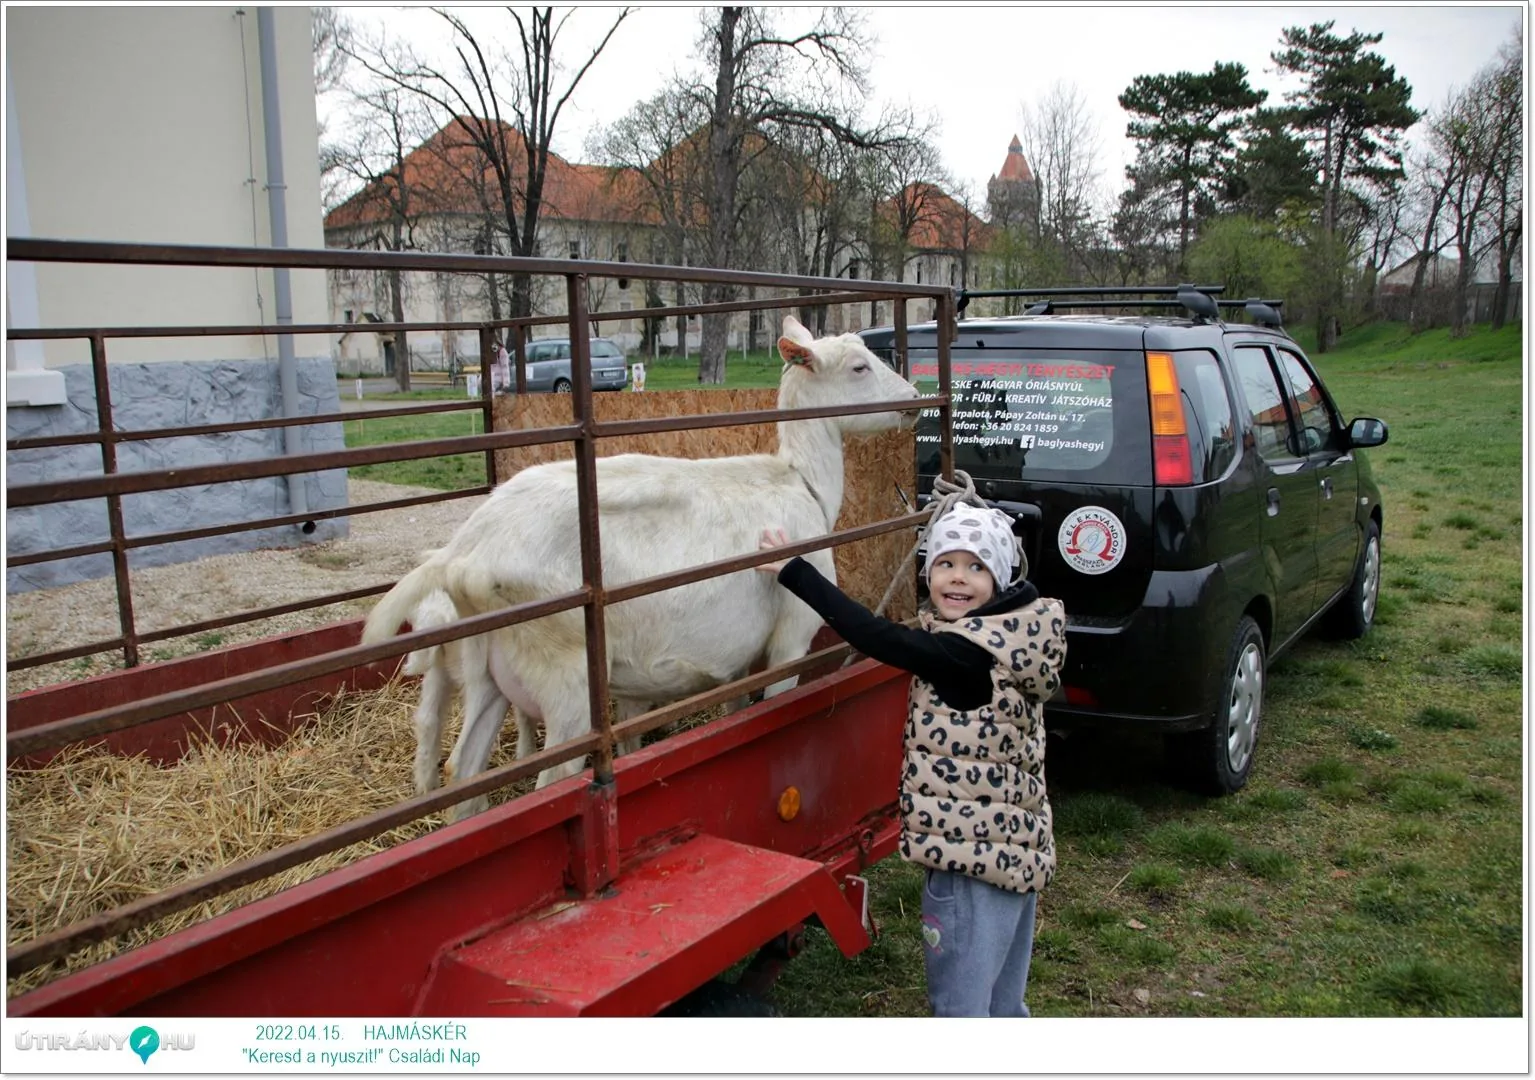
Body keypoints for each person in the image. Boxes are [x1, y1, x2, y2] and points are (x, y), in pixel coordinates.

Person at [756, 504, 1065, 1017]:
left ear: (1002, 576)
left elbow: (876, 636)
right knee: (1003, 1005)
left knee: (961, 1008)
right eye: (945, 563)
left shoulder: (964, 655)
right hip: (1016, 856)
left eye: (976, 566)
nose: (957, 578)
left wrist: (795, 571)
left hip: (970, 864)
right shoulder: (1018, 632)